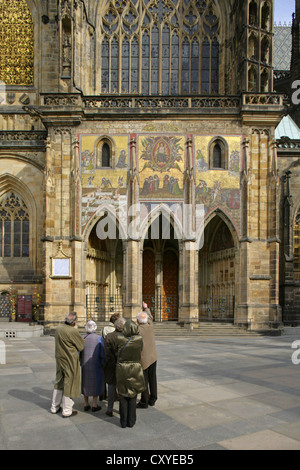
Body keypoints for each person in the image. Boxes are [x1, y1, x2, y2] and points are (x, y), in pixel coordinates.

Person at [50, 312, 85, 418]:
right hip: (70, 359)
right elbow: (81, 346)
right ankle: (67, 410)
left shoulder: (59, 328)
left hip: (60, 358)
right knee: (70, 382)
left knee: (59, 381)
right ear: (74, 322)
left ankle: (54, 407)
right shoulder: (72, 331)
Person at [115, 319, 145, 428]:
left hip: (122, 367)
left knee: (122, 395)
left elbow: (116, 352)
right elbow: (141, 350)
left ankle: (123, 421)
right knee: (133, 394)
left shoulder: (119, 338)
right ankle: (131, 421)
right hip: (136, 367)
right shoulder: (139, 339)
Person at [136, 304, 158, 408]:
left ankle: (144, 401)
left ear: (138, 321)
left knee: (144, 380)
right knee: (153, 378)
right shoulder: (150, 325)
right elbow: (150, 317)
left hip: (143, 359)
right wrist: (146, 308)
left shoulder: (137, 330)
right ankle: (153, 398)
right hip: (153, 357)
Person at [80, 320, 104, 412]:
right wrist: (103, 363)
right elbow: (102, 353)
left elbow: (79, 352)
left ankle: (86, 403)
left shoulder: (82, 338)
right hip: (96, 364)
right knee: (96, 383)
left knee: (85, 383)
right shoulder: (99, 338)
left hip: (85, 364)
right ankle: (94, 404)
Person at [103, 317, 126, 417]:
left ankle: (110, 409)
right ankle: (122, 409)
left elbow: (107, 353)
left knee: (111, 388)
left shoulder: (109, 336)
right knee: (122, 388)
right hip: (123, 366)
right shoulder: (126, 337)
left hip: (111, 366)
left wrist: (109, 363)